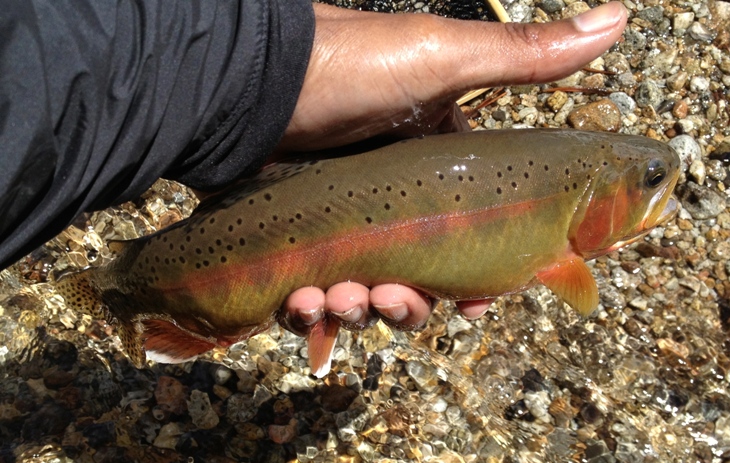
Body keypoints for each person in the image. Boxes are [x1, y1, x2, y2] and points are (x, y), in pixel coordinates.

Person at [0, 1, 627, 338]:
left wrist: (261, 70)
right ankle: (115, 287)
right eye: (647, 182)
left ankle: (115, 283)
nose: (660, 184)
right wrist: (260, 69)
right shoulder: (563, 258)